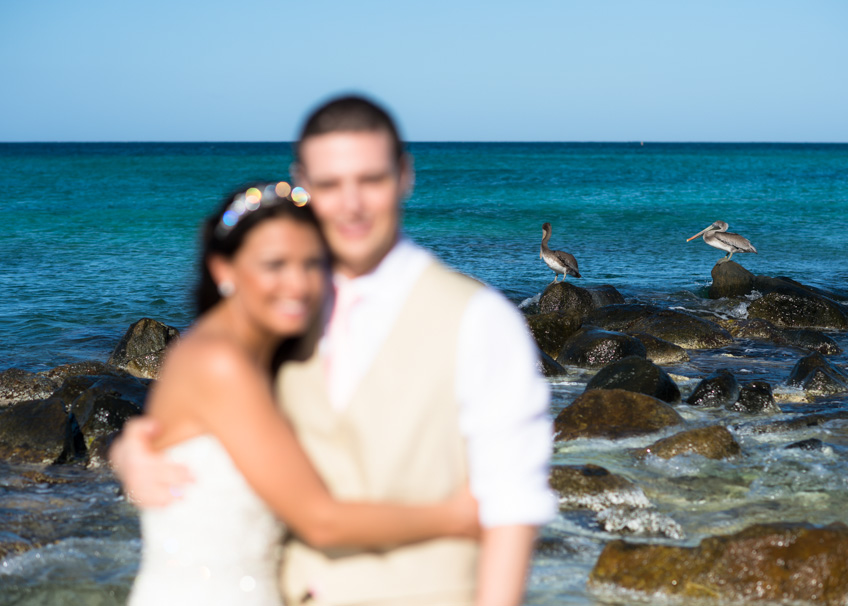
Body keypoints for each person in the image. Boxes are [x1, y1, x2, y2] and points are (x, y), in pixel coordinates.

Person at [113, 96, 555, 606]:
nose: (351, 204)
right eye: (329, 184)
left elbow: (512, 506)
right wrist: (133, 454)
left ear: (405, 175)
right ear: (301, 181)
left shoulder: (480, 318)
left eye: (371, 180)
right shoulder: (279, 316)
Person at [124, 183, 480, 606]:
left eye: (312, 263)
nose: (297, 284)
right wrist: (459, 514)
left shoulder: (258, 357)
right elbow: (319, 520)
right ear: (224, 270)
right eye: (275, 265)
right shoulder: (221, 362)